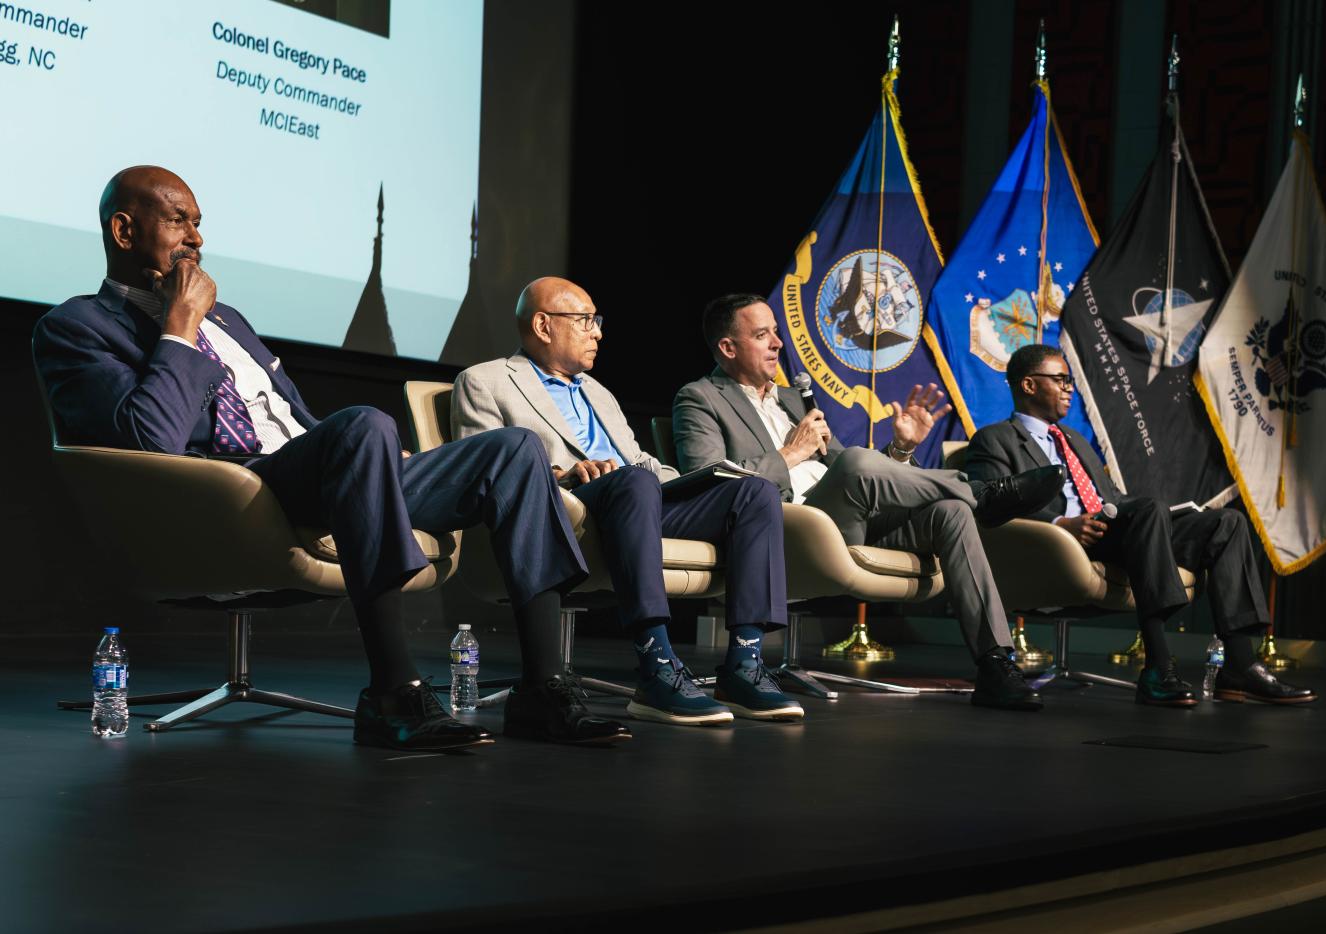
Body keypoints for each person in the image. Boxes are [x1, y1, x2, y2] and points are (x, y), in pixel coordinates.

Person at [33, 166, 632, 750]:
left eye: (198, 222)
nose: (196, 239)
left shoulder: (230, 320)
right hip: (235, 489)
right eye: (177, 221)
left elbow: (290, 419)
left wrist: (365, 452)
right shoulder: (78, 326)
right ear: (124, 231)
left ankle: (543, 688)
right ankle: (393, 694)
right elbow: (151, 440)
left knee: (514, 449)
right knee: (365, 424)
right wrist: (180, 322)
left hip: (313, 470)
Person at [673, 294, 1067, 711]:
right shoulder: (700, 398)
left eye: (775, 331)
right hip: (788, 527)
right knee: (863, 462)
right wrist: (790, 454)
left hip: (845, 520)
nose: (777, 343)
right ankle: (980, 494)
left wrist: (900, 450)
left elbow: (848, 472)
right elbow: (709, 482)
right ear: (728, 347)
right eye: (761, 335)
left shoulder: (792, 398)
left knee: (949, 512)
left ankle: (994, 664)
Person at [452, 277, 801, 726]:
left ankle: (744, 665)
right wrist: (562, 475)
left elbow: (641, 462)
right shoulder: (486, 381)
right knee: (633, 482)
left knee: (753, 491)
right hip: (570, 508)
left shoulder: (599, 392)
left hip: (637, 498)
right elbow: (485, 471)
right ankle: (656, 665)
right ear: (543, 325)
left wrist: (704, 482)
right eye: (585, 320)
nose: (598, 332)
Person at [962, 343, 1316, 706]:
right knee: (1149, 511)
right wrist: (1060, 524)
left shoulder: (1073, 439)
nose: (1069, 388)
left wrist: (1172, 514)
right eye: (1061, 379)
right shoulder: (995, 439)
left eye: (1070, 380)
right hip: (1060, 542)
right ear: (1029, 385)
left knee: (1226, 523)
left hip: (1112, 531)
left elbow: (1112, 498)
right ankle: (1158, 666)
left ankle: (1240, 665)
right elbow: (988, 502)